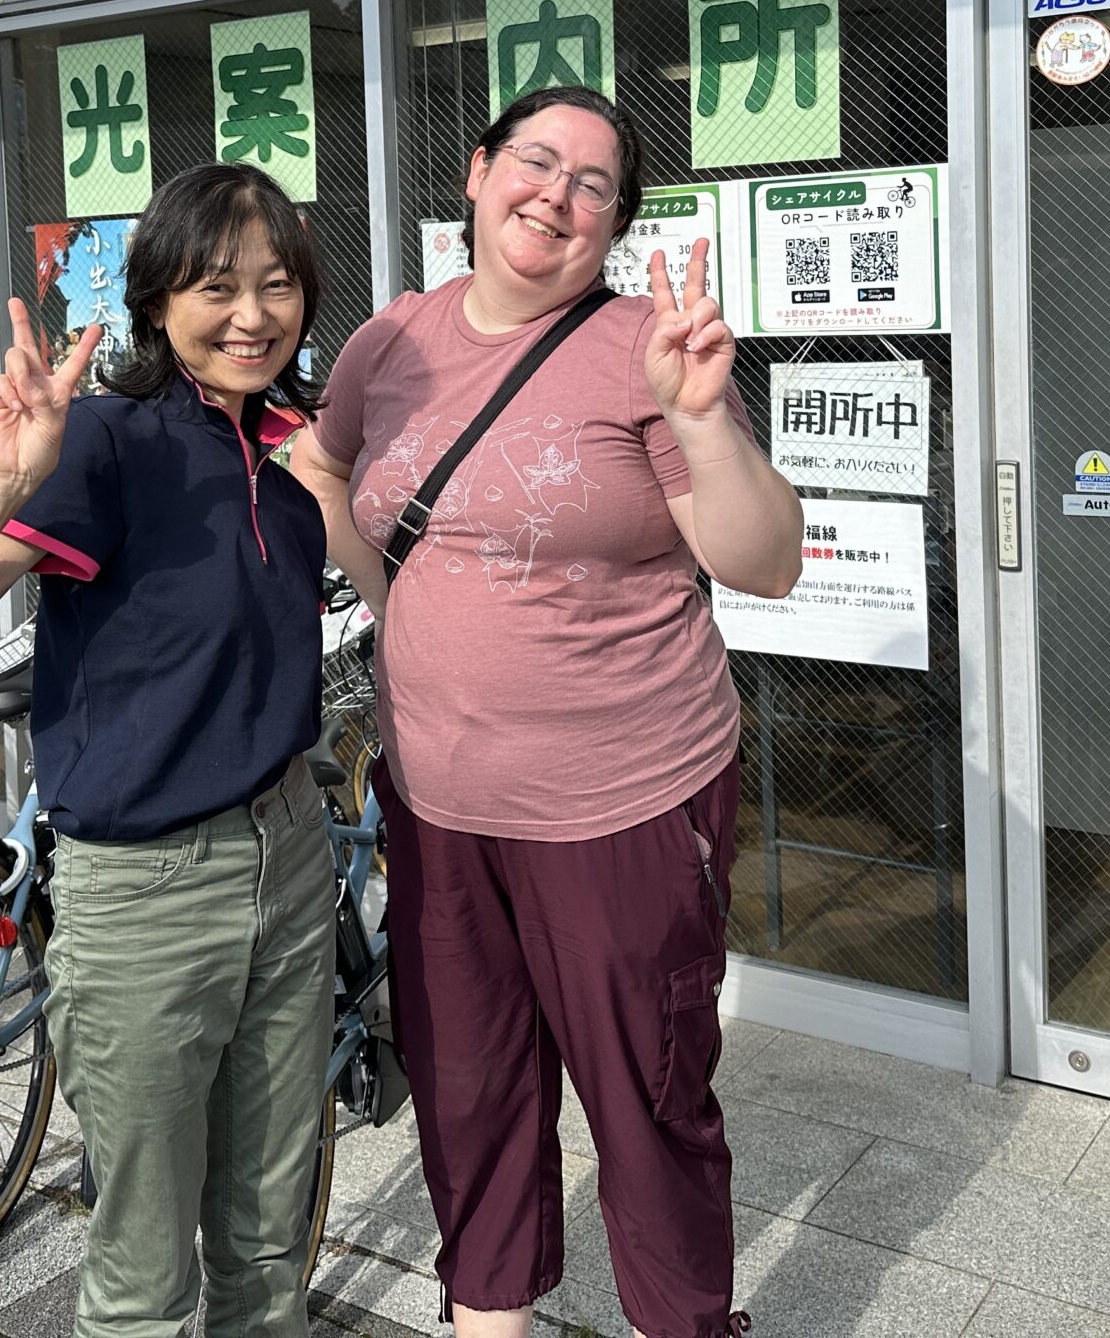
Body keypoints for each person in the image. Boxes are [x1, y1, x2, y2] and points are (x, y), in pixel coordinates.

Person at [295, 85, 801, 1338]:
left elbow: (765, 560)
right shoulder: (390, 343)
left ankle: (683, 1324)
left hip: (622, 800)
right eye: (537, 161)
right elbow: (326, 467)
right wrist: (395, 609)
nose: (557, 196)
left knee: (649, 1102)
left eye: (594, 186)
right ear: (474, 174)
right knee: (469, 1096)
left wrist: (698, 417)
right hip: (437, 799)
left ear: (614, 224)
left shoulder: (646, 344)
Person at [0, 161, 335, 1338]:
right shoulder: (109, 445)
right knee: (141, 1271)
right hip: (147, 895)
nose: (251, 314)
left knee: (272, 1242)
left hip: (288, 862)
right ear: (157, 299)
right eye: (216, 285)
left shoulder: (283, 469)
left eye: (276, 284)